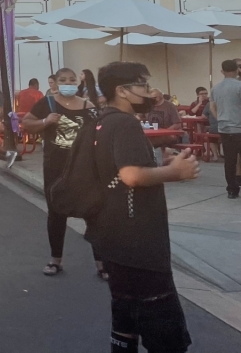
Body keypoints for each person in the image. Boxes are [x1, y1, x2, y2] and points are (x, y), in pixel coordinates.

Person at [88, 62, 199, 353]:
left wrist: (159, 166)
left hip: (115, 238)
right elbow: (131, 175)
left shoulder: (104, 120)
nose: (150, 92)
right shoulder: (125, 123)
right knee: (166, 334)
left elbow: (118, 172)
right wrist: (175, 173)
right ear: (122, 90)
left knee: (125, 322)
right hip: (139, 242)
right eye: (143, 86)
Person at [20, 68, 106, 278]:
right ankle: (55, 259)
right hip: (55, 168)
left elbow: (100, 131)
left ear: (78, 82)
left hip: (85, 168)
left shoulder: (89, 106)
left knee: (94, 213)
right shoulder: (47, 104)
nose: (68, 83)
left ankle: (102, 262)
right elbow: (26, 124)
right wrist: (45, 122)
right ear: (55, 83)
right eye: (63, 80)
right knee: (57, 213)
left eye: (72, 79)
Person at [210, 59, 241, 199]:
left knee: (229, 160)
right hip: (239, 127)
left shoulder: (215, 88)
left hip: (224, 127)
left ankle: (232, 189)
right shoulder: (239, 86)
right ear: (237, 70)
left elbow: (212, 107)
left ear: (222, 71)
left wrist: (220, 118)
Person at [144, 89, 183, 162]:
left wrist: (166, 131)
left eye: (154, 98)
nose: (151, 100)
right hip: (151, 134)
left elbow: (177, 124)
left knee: (148, 141)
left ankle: (161, 156)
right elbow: (139, 116)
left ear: (160, 97)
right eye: (150, 98)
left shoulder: (170, 106)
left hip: (168, 134)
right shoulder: (148, 106)